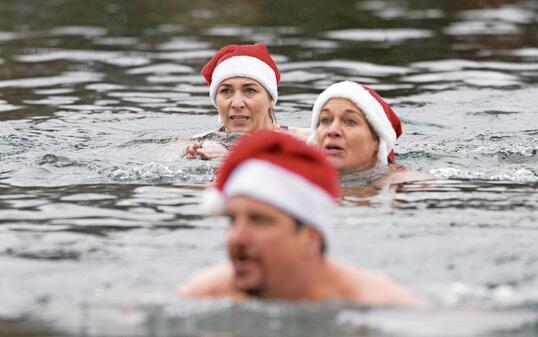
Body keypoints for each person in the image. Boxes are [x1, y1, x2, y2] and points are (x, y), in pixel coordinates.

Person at [177, 130, 419, 305]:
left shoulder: (378, 305)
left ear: (310, 237)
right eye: (232, 220)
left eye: (260, 221)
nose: (236, 238)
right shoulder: (203, 297)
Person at [185, 43, 309, 160]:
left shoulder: (307, 141)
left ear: (271, 99)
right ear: (216, 101)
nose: (237, 104)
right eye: (226, 91)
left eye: (249, 90)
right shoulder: (197, 145)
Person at [309, 81, 432, 186]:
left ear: (377, 142)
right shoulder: (297, 178)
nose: (332, 131)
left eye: (350, 122)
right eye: (325, 120)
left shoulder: (409, 184)